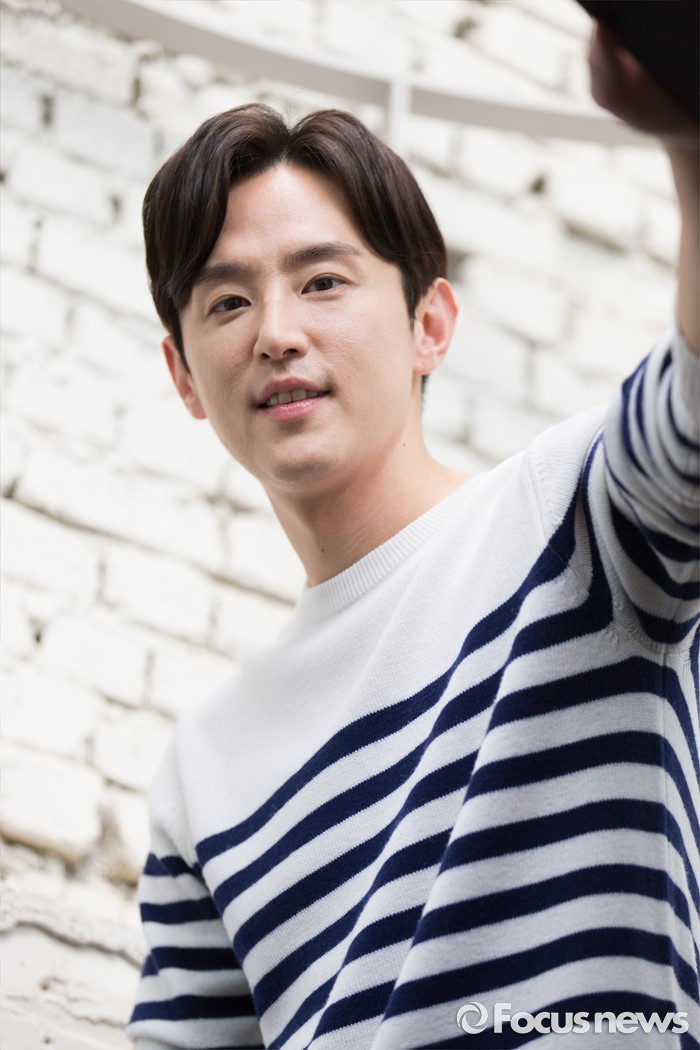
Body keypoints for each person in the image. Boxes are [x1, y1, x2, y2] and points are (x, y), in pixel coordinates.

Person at [127, 24, 699, 1050]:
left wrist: (689, 140)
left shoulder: (574, 522)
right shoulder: (201, 771)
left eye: (323, 281)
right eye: (228, 301)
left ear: (430, 324)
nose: (276, 333)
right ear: (184, 376)